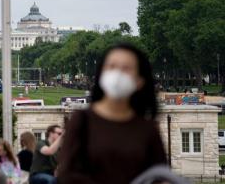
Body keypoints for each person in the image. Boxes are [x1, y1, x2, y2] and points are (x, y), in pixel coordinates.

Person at [57, 42, 167, 184]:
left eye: (126, 68)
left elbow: (160, 175)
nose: (117, 74)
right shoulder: (82, 121)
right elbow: (68, 174)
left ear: (140, 80)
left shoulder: (147, 128)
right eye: (112, 66)